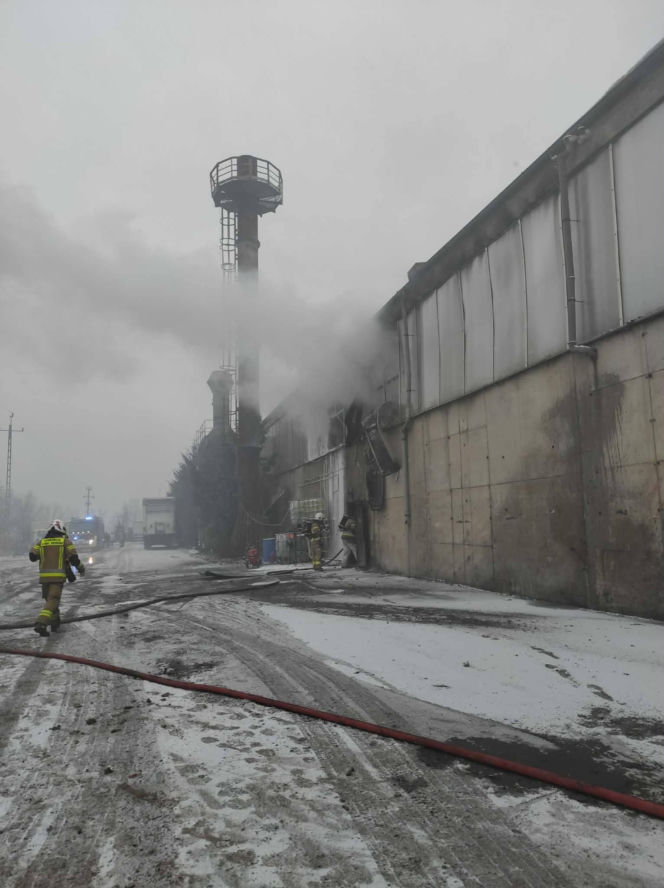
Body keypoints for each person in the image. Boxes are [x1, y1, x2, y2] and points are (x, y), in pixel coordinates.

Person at [29, 519, 85, 637]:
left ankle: (54, 623)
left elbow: (32, 556)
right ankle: (41, 623)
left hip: (44, 578)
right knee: (53, 600)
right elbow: (74, 559)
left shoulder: (41, 542)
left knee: (50, 601)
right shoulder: (65, 542)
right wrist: (81, 568)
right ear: (62, 530)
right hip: (57, 578)